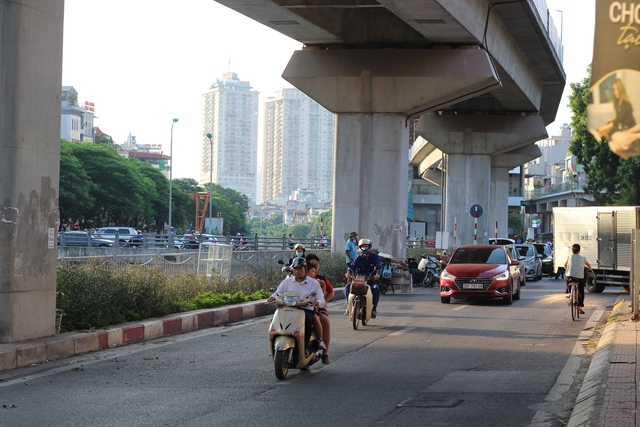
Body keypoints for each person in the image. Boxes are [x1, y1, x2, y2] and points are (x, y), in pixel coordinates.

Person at [267, 257, 326, 352]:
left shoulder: (314, 283)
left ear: (305, 269)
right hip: (287, 309)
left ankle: (305, 347)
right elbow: (278, 292)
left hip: (305, 309)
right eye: (295, 269)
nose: (297, 271)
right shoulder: (287, 282)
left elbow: (321, 299)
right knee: (275, 319)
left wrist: (318, 302)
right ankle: (274, 346)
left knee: (308, 320)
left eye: (299, 269)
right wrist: (272, 297)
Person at [306, 253, 333, 364]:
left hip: (316, 307)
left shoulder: (320, 280)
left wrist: (323, 302)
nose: (314, 267)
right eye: (311, 265)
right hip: (300, 306)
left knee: (324, 320)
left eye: (316, 265)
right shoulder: (297, 278)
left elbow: (329, 292)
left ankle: (325, 352)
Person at [347, 238, 382, 318]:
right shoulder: (358, 258)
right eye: (362, 247)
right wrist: (349, 272)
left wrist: (377, 274)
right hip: (360, 280)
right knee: (347, 287)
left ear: (369, 247)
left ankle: (374, 309)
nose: (364, 248)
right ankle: (348, 307)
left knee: (376, 289)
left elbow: (379, 267)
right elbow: (352, 266)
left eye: (366, 246)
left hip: (371, 280)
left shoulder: (375, 257)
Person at [564, 243, 592, 315]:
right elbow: (589, 266)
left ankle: (570, 293)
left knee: (568, 279)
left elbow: (565, 265)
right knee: (581, 291)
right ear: (579, 250)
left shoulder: (569, 257)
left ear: (572, 250)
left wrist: (567, 269)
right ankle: (580, 306)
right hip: (579, 277)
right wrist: (589, 269)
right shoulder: (583, 258)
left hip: (570, 276)